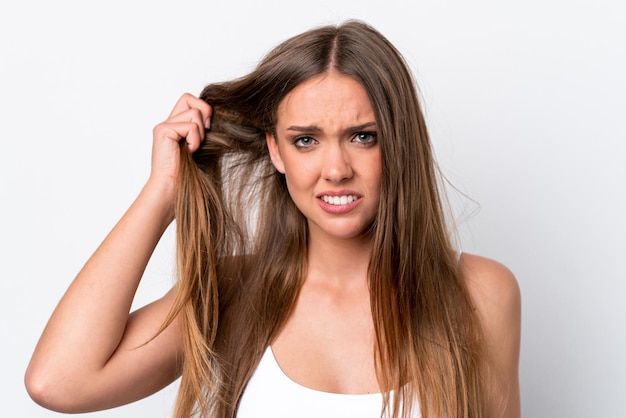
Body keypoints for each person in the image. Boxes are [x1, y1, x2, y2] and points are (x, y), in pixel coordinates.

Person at [25, 20, 521, 418]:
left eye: (363, 136)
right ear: (275, 151)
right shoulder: (237, 288)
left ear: (399, 142)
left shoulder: (481, 293)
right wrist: (162, 194)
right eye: (306, 139)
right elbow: (59, 382)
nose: (336, 170)